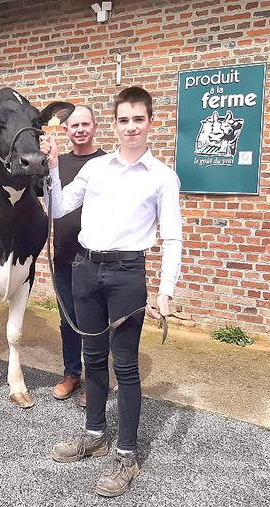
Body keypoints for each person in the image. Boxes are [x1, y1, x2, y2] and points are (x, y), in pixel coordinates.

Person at [41, 87, 183, 497]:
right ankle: (95, 434)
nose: (131, 127)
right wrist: (52, 168)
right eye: (124, 120)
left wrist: (165, 290)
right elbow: (61, 206)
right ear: (116, 124)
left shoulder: (162, 177)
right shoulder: (97, 169)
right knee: (92, 358)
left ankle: (127, 452)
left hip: (126, 274)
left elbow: (172, 238)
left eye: (138, 119)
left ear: (150, 123)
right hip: (85, 268)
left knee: (125, 366)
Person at [50, 105, 106, 407]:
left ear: (95, 127)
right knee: (68, 320)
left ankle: (97, 382)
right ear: (66, 131)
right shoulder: (57, 164)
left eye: (85, 124)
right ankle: (72, 373)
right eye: (75, 125)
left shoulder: (107, 163)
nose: (80, 129)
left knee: (95, 322)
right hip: (64, 255)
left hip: (96, 258)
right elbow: (46, 199)